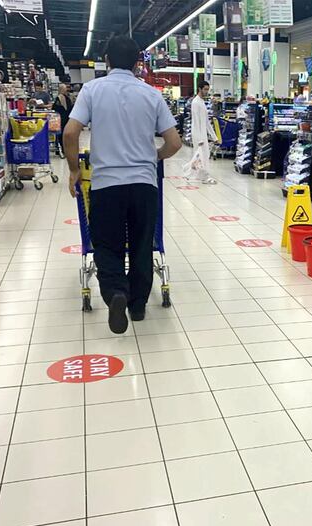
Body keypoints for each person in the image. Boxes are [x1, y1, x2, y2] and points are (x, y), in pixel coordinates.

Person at [63, 35, 182, 334]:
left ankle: (116, 292)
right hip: (143, 185)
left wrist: (75, 170)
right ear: (137, 64)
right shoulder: (152, 95)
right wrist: (152, 157)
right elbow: (175, 142)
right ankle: (138, 305)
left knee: (107, 245)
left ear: (106, 60)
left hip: (106, 185)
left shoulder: (92, 90)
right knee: (142, 245)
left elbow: (70, 133)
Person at [183, 80, 218, 184]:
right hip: (198, 133)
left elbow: (206, 121)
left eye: (208, 89)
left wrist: (214, 136)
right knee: (201, 156)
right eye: (205, 89)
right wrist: (200, 139)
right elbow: (196, 121)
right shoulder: (195, 102)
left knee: (202, 155)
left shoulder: (202, 102)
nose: (207, 92)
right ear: (200, 89)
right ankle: (205, 177)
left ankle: (188, 171)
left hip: (202, 133)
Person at [52, 83, 73, 155]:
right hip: (68, 118)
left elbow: (55, 108)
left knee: (59, 135)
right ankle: (66, 150)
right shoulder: (68, 98)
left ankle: (60, 150)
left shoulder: (59, 98)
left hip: (61, 119)